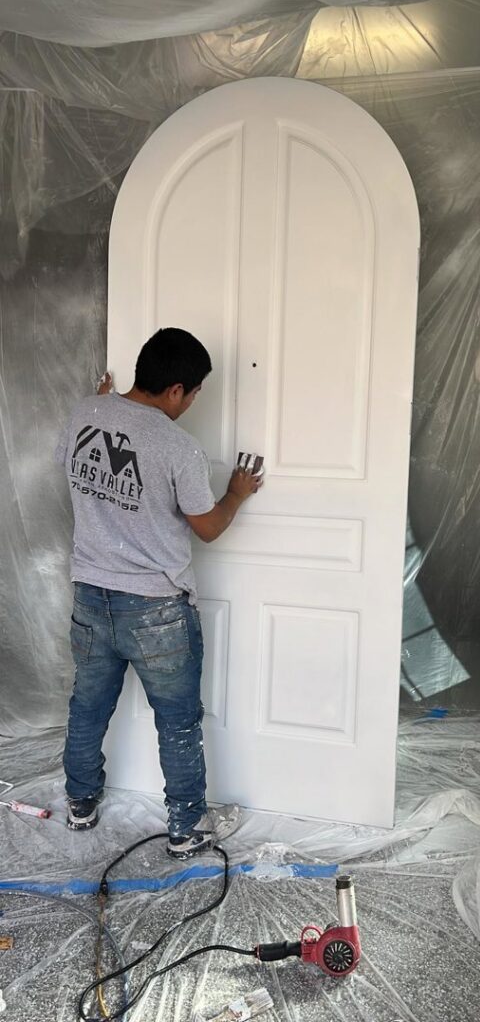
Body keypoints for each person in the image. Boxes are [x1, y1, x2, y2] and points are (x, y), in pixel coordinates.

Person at [55, 327, 262, 858]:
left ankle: (80, 803)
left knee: (87, 706)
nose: (192, 403)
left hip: (90, 597)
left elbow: (83, 464)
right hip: (156, 611)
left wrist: (105, 404)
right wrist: (236, 494)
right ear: (175, 389)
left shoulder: (85, 412)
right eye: (194, 394)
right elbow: (208, 527)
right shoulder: (178, 447)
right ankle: (186, 828)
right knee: (177, 721)